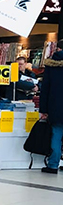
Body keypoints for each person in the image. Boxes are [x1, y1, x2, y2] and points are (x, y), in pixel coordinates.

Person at [40, 40, 63, 174]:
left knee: (56, 134)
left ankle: (53, 165)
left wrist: (43, 109)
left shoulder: (51, 66)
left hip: (56, 106)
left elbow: (45, 90)